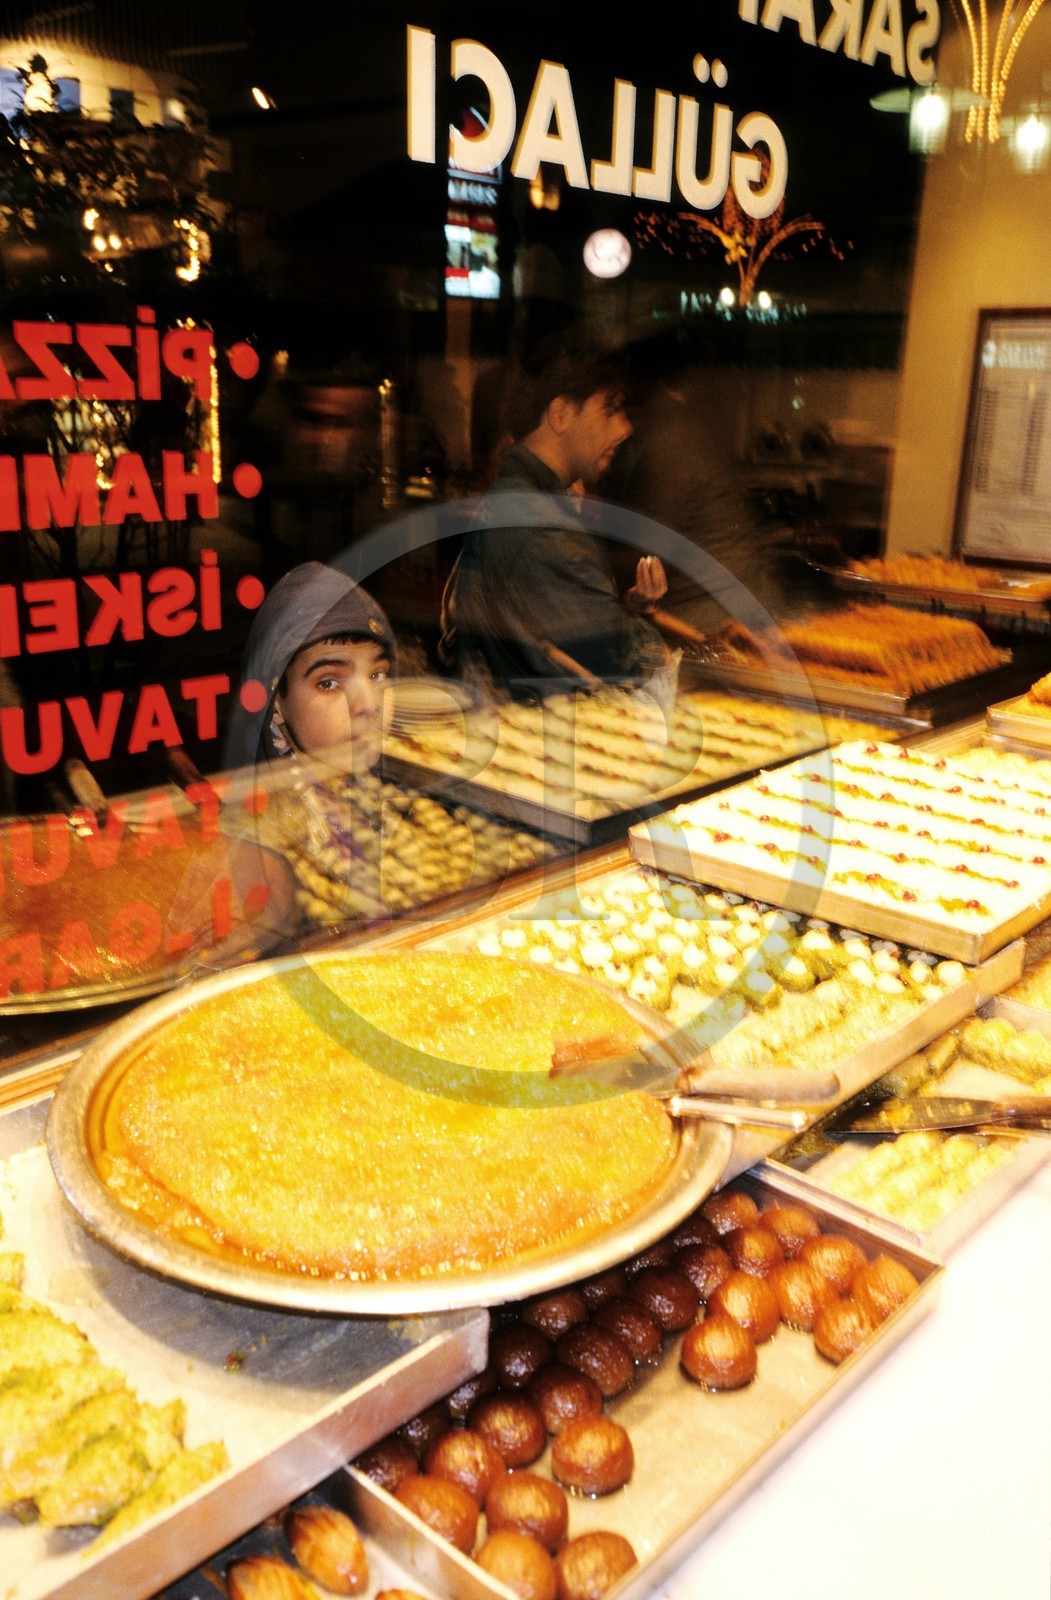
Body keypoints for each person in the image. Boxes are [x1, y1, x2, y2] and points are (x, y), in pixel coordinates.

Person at [441, 335, 672, 696]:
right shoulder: (537, 523)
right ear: (561, 414)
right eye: (610, 410)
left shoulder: (522, 500)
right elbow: (621, 657)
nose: (624, 428)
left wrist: (626, 608)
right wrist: (644, 637)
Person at [242, 561, 397, 770]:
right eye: (328, 683)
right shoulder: (255, 791)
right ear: (276, 704)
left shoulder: (407, 784)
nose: (369, 705)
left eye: (377, 676)